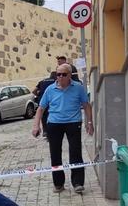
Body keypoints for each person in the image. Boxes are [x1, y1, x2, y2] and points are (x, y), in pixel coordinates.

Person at [33, 63, 93, 193]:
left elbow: (86, 105)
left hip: (73, 122)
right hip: (54, 124)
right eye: (58, 74)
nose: (60, 77)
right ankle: (58, 184)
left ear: (70, 75)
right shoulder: (50, 89)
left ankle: (77, 183)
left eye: (63, 74)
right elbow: (41, 108)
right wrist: (36, 125)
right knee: (55, 153)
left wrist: (90, 123)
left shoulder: (78, 88)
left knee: (75, 152)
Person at [33, 71, 57, 140]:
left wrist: (38, 95)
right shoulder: (55, 81)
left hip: (42, 101)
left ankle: (45, 132)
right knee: (52, 116)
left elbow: (34, 91)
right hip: (52, 101)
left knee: (43, 117)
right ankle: (53, 131)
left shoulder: (42, 81)